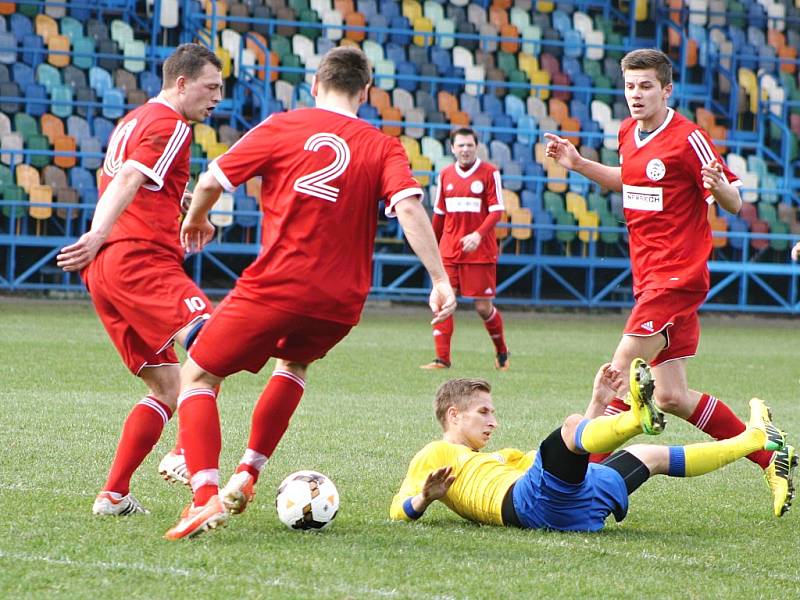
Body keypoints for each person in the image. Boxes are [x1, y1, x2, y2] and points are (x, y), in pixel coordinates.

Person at [163, 47, 457, 540]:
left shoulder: (283, 125)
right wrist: (440, 278)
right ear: (365, 92)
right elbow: (408, 209)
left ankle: (203, 498)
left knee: (197, 374)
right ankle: (247, 474)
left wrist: (195, 218)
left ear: (315, 85)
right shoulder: (383, 146)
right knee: (293, 366)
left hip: (278, 283)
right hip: (340, 302)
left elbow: (213, 180)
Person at [543, 47, 794, 518]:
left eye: (645, 86)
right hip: (650, 276)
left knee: (619, 374)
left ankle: (569, 486)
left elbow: (735, 201)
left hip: (676, 275)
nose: (636, 95)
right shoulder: (626, 132)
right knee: (670, 396)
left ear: (667, 90)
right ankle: (768, 453)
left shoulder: (689, 137)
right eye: (630, 86)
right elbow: (628, 179)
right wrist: (578, 164)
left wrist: (718, 185)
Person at [55, 43, 224, 515]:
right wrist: (95, 234)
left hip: (106, 272)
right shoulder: (172, 124)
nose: (216, 99)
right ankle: (186, 453)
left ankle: (114, 494)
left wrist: (188, 206)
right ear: (183, 83)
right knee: (214, 342)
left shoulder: (134, 120)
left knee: (168, 387)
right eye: (211, 88)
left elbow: (150, 181)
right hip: (138, 259)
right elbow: (130, 177)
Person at [390, 359, 793, 531]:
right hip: (525, 503)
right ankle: (638, 416)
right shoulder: (437, 454)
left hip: (568, 512)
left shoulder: (501, 457)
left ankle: (752, 440)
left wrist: (599, 401)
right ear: (453, 416)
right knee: (570, 427)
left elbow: (578, 458)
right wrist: (424, 499)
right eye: (483, 412)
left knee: (647, 457)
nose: (493, 420)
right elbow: (397, 511)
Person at [420, 127, 510, 371]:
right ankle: (442, 359)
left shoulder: (490, 173)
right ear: (452, 148)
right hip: (450, 250)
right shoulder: (445, 175)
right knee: (443, 300)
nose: (465, 149)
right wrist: (431, 246)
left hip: (480, 252)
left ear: (476, 146)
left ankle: (502, 351)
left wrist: (478, 235)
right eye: (460, 145)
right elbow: (439, 214)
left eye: (469, 145)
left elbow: (496, 211)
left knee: (483, 308)